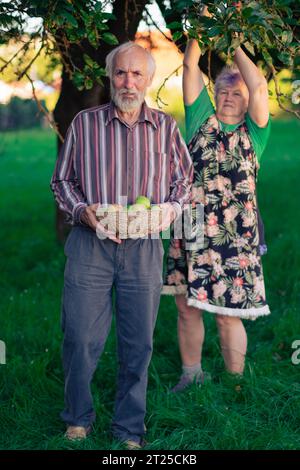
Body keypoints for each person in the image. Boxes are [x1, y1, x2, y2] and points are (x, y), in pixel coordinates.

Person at [50, 41, 193, 448]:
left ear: (147, 80)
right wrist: (81, 211)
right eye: (120, 73)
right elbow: (62, 181)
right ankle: (77, 417)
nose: (128, 81)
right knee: (79, 335)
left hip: (144, 247)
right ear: (110, 76)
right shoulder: (85, 123)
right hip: (90, 245)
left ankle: (130, 428)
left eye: (136, 74)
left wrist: (170, 209)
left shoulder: (165, 127)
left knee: (138, 342)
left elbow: (184, 181)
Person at [162, 6, 271, 392]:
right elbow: (191, 70)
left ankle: (237, 383)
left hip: (235, 235)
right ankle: (191, 374)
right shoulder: (200, 120)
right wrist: (201, 28)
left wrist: (234, 39)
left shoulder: (255, 133)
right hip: (191, 224)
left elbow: (259, 87)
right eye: (222, 90)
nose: (227, 96)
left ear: (246, 101)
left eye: (235, 92)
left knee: (228, 312)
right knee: (186, 304)